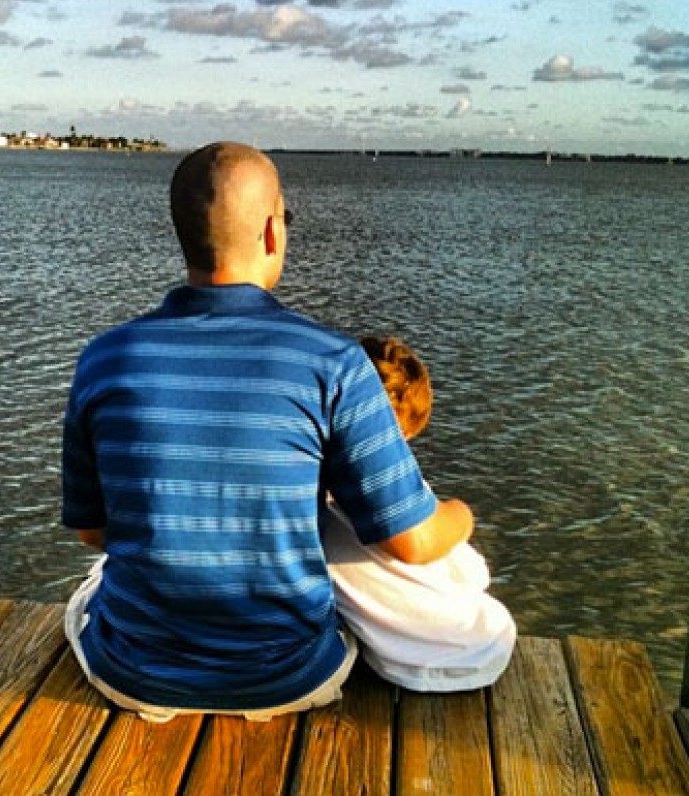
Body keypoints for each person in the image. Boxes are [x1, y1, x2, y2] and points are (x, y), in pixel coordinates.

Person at [61, 141, 491, 722]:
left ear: (183, 234)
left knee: (90, 590)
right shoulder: (334, 363)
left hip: (136, 675)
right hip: (287, 678)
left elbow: (94, 533)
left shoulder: (104, 359)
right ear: (271, 232)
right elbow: (410, 542)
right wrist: (463, 512)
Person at [324, 337, 516, 692]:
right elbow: (473, 573)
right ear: (408, 433)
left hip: (394, 665)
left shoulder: (310, 488)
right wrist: (462, 514)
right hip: (481, 651)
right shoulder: (408, 500)